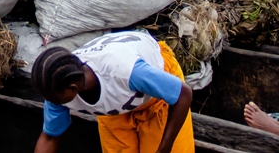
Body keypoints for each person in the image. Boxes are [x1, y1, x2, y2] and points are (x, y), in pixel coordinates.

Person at [31, 31, 194, 153]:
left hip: (158, 95)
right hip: (116, 106)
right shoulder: (57, 84)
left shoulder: (125, 71)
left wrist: (164, 149)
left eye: (52, 99)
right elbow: (49, 137)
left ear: (73, 89)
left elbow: (182, 94)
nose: (50, 102)